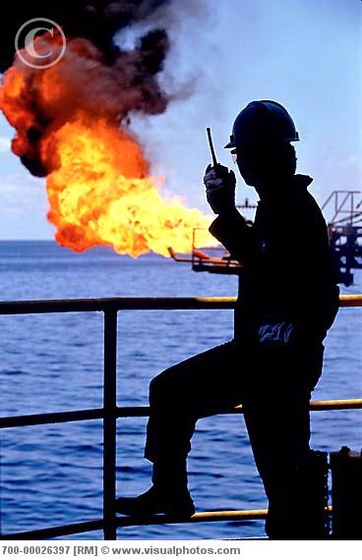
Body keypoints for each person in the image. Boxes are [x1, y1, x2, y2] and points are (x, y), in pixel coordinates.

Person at [116, 100, 340, 538]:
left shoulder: (292, 207)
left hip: (275, 365)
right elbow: (274, 263)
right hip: (266, 360)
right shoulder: (283, 204)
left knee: (282, 475)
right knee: (280, 471)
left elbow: (273, 265)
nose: (242, 164)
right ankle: (173, 495)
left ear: (261, 157)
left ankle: (175, 497)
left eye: (244, 155)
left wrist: (225, 210)